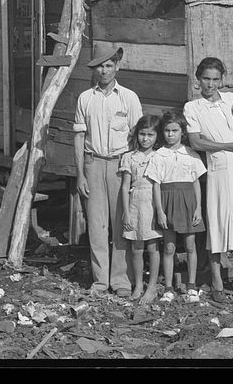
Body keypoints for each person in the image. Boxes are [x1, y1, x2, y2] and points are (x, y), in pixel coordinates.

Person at [183, 57, 233, 303]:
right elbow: (196, 142)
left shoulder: (231, 99)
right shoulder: (193, 107)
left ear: (222, 79)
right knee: (216, 226)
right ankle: (217, 282)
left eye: (215, 79)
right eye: (206, 79)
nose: (210, 84)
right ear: (198, 79)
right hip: (217, 169)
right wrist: (230, 145)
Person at [73, 43, 143, 297]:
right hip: (93, 163)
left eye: (109, 65)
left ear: (117, 66)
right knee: (97, 224)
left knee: (121, 222)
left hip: (120, 164)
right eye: (100, 66)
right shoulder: (85, 98)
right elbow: (80, 138)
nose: (104, 70)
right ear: (95, 69)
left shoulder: (128, 97)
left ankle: (121, 280)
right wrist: (80, 174)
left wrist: (134, 170)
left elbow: (138, 136)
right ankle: (101, 281)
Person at [146, 109, 207, 303]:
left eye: (174, 130)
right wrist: (160, 211)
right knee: (169, 247)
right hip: (167, 202)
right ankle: (169, 288)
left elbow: (196, 182)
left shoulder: (191, 154)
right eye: (167, 131)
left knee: (190, 246)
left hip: (188, 202)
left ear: (183, 132)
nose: (170, 134)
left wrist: (198, 208)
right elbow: (156, 185)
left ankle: (191, 286)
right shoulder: (158, 155)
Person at [118, 114, 163, 304]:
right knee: (136, 248)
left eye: (150, 135)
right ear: (137, 135)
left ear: (156, 137)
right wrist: (126, 213)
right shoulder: (130, 157)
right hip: (135, 201)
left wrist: (161, 211)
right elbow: (124, 186)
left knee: (152, 246)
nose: (146, 139)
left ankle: (151, 286)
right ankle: (138, 284)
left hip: (153, 201)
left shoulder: (159, 156)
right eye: (142, 134)